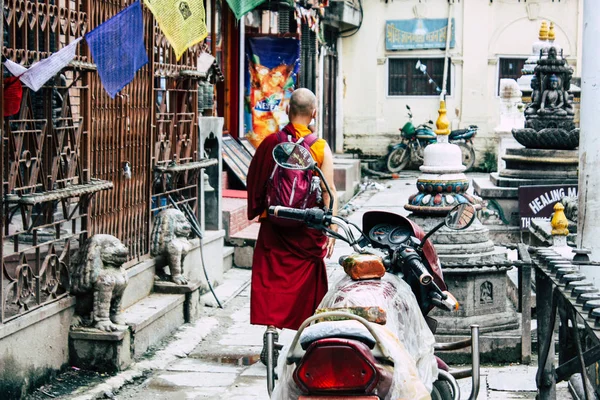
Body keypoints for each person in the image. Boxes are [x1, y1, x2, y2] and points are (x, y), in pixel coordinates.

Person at [246, 88, 338, 364]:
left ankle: (272, 334)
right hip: (306, 230)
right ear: (314, 113)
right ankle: (307, 340)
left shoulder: (271, 143)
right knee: (308, 282)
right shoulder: (319, 146)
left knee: (271, 280)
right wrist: (329, 224)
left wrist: (261, 209)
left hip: (275, 225)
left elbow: (254, 180)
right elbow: (328, 189)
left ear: (287, 110)